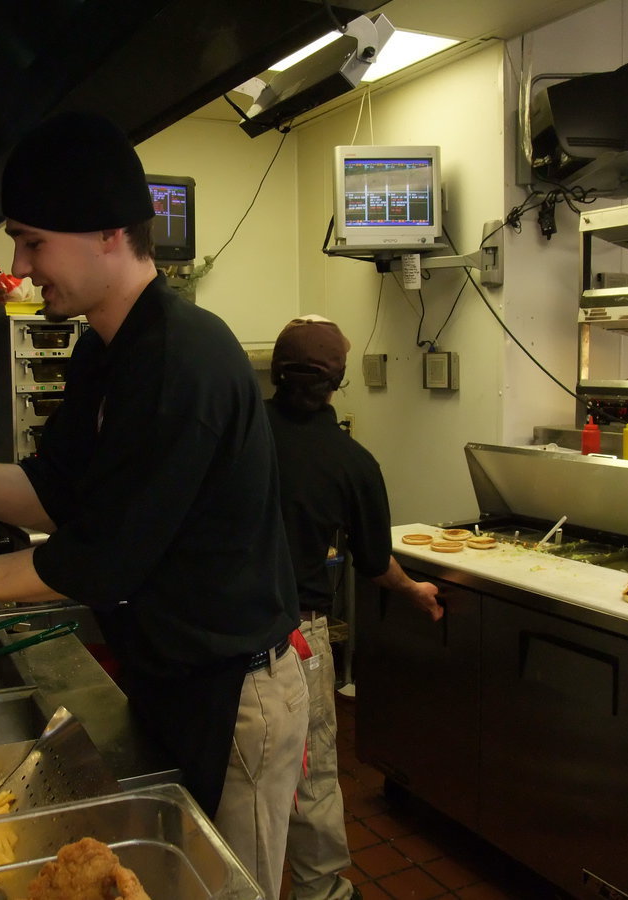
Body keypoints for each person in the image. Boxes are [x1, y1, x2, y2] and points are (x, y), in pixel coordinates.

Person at [0, 110, 308, 900]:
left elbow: (92, 562)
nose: (18, 263)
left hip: (233, 697)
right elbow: (47, 495)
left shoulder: (183, 360)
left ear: (108, 233)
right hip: (169, 678)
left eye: (33, 241)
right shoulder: (102, 349)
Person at [265, 315, 443, 900]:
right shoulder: (351, 462)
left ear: (274, 372)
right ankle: (322, 893)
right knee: (310, 776)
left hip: (225, 634)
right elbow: (373, 562)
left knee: (240, 780)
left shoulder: (235, 437)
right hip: (296, 642)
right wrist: (414, 589)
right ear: (339, 382)